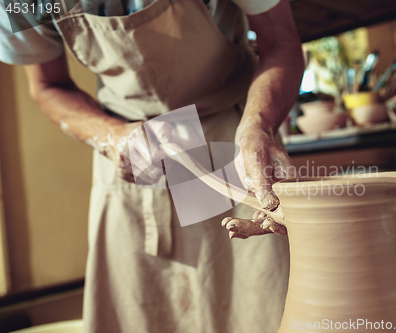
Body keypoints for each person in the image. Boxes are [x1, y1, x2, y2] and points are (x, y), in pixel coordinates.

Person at [0, 0, 304, 331]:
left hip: (233, 146)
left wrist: (257, 125)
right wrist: (112, 137)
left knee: (258, 308)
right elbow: (46, 85)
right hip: (129, 151)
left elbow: (281, 41)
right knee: (140, 311)